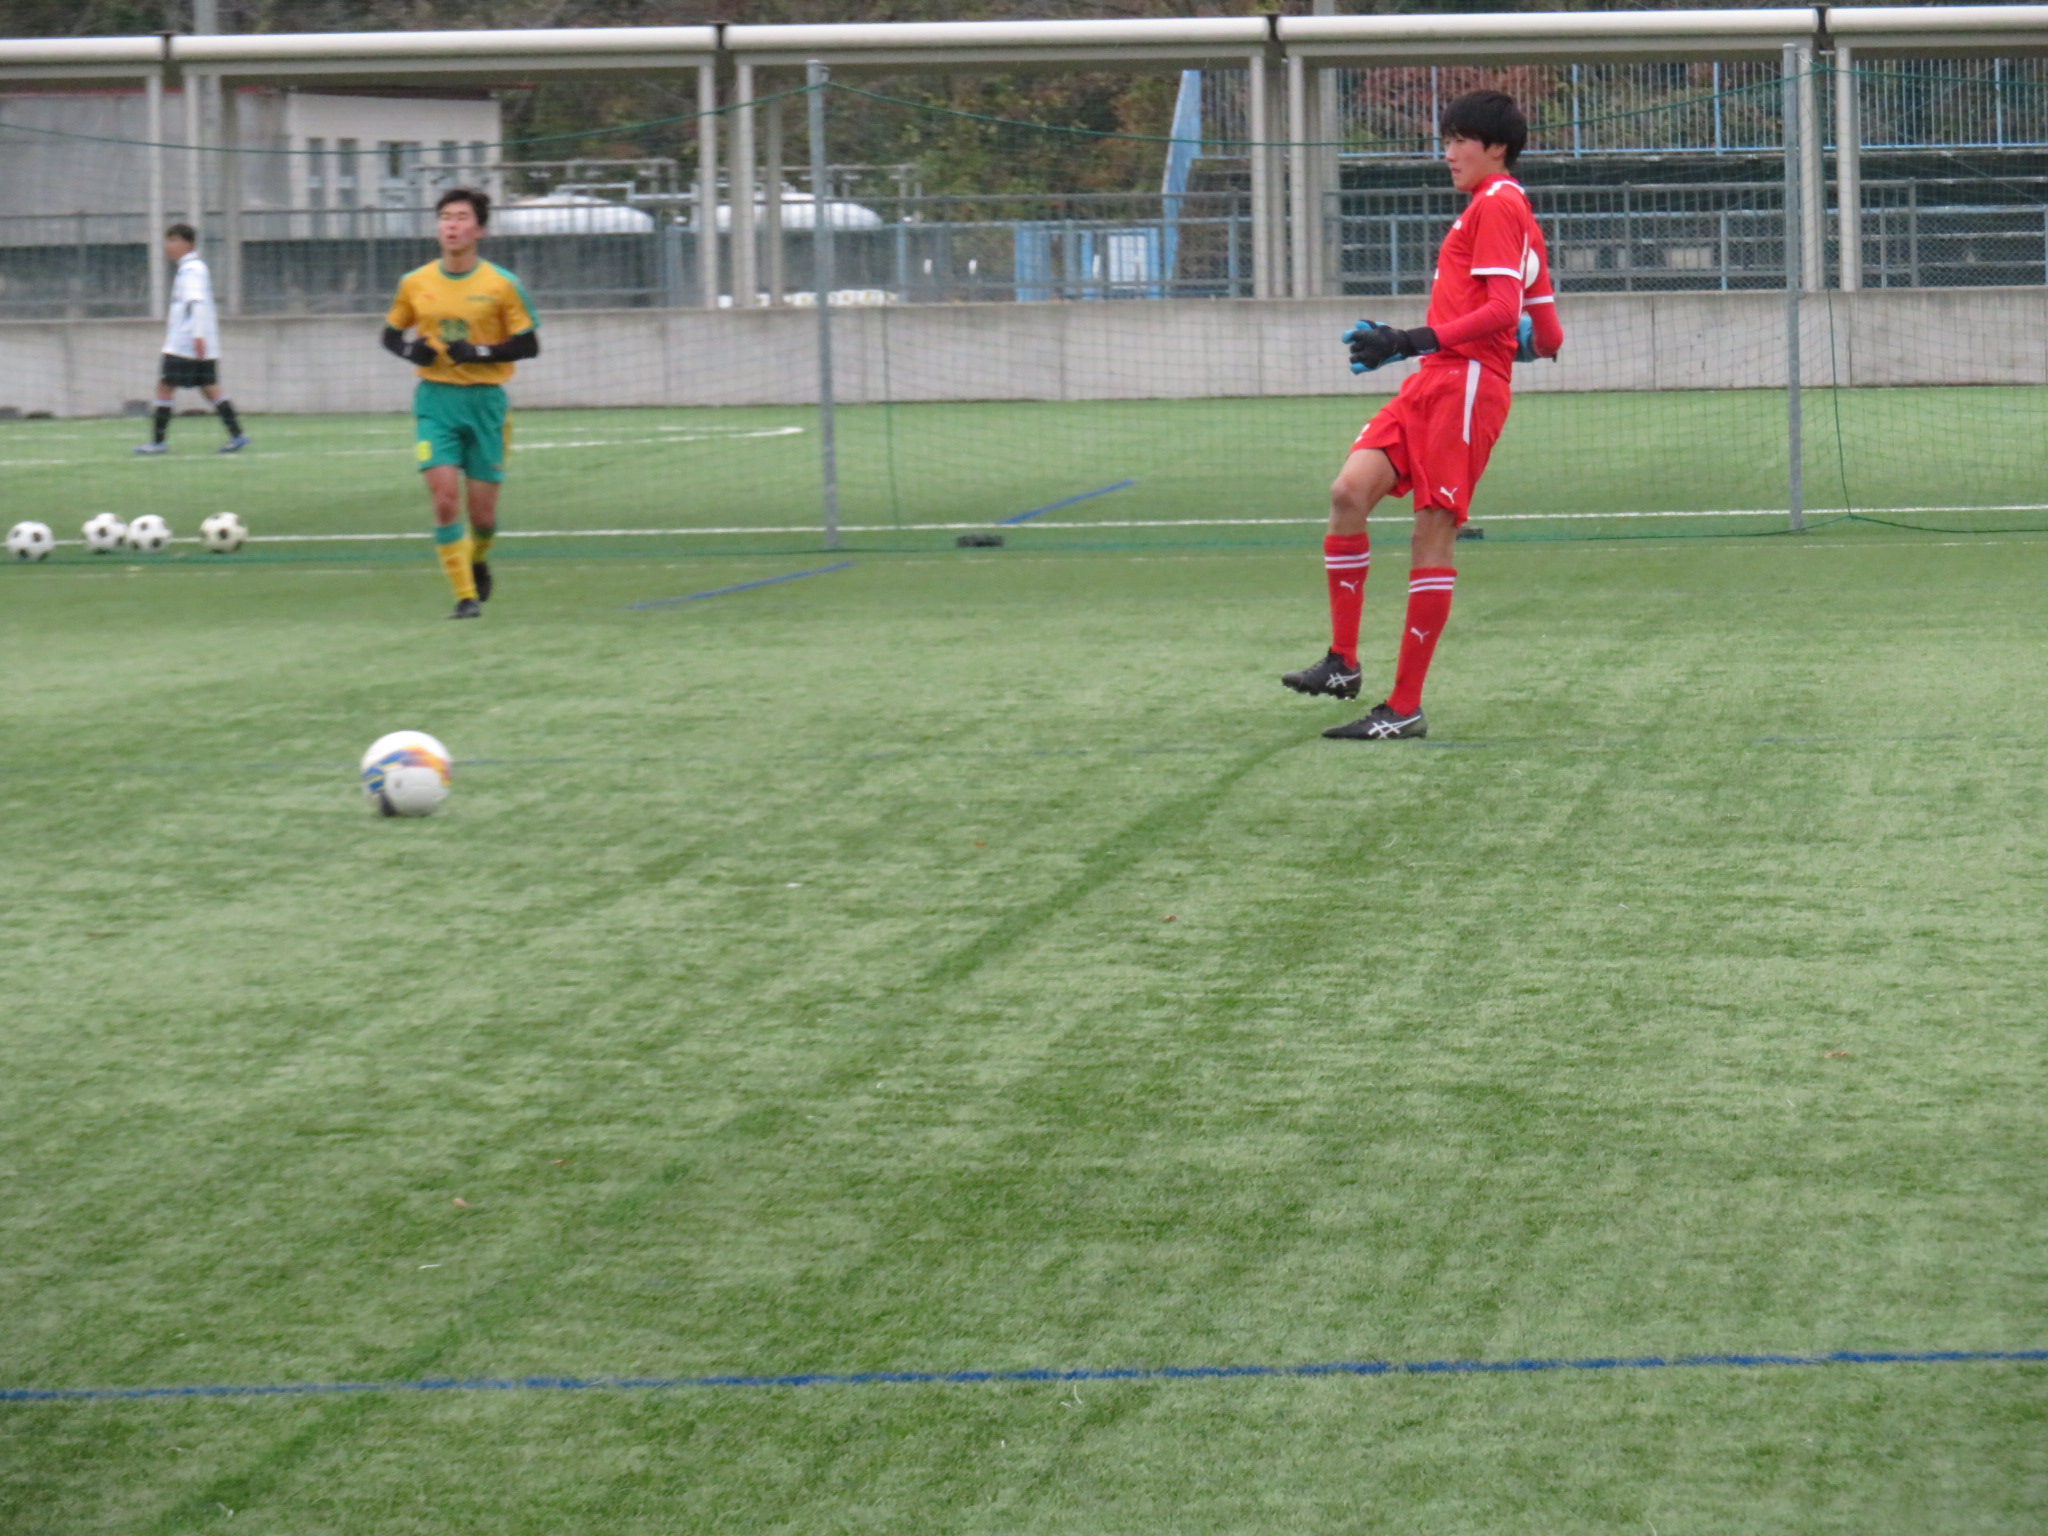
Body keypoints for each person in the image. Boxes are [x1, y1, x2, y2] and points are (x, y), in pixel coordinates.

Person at [1282, 91, 1563, 739]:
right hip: (1436, 379)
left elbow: (1501, 311)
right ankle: (1343, 664)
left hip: (1464, 386)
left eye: (1461, 139)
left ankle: (1404, 707)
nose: (1448, 152)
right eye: (1446, 140)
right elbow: (1546, 333)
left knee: (1431, 532)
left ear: (1497, 147)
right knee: (1349, 492)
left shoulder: (1497, 204)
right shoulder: (1507, 211)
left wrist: (1407, 339)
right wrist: (1507, 344)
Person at [382, 187, 540, 619]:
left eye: (461, 217)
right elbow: (390, 336)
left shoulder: (502, 285)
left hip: (486, 404)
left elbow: (529, 344)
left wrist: (479, 353)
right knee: (445, 500)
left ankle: (478, 557)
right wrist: (412, 352)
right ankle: (465, 597)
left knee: (483, 516)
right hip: (435, 402)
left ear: (480, 230)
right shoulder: (415, 282)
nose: (451, 225)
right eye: (445, 217)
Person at [134, 224, 249, 455]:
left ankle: (158, 442)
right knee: (209, 388)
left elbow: (196, 304)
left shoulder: (191, 270)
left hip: (185, 344)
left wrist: (197, 336)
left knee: (165, 386)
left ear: (188, 244)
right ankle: (237, 435)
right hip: (199, 343)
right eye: (168, 241)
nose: (168, 246)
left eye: (173, 241)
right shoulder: (193, 269)